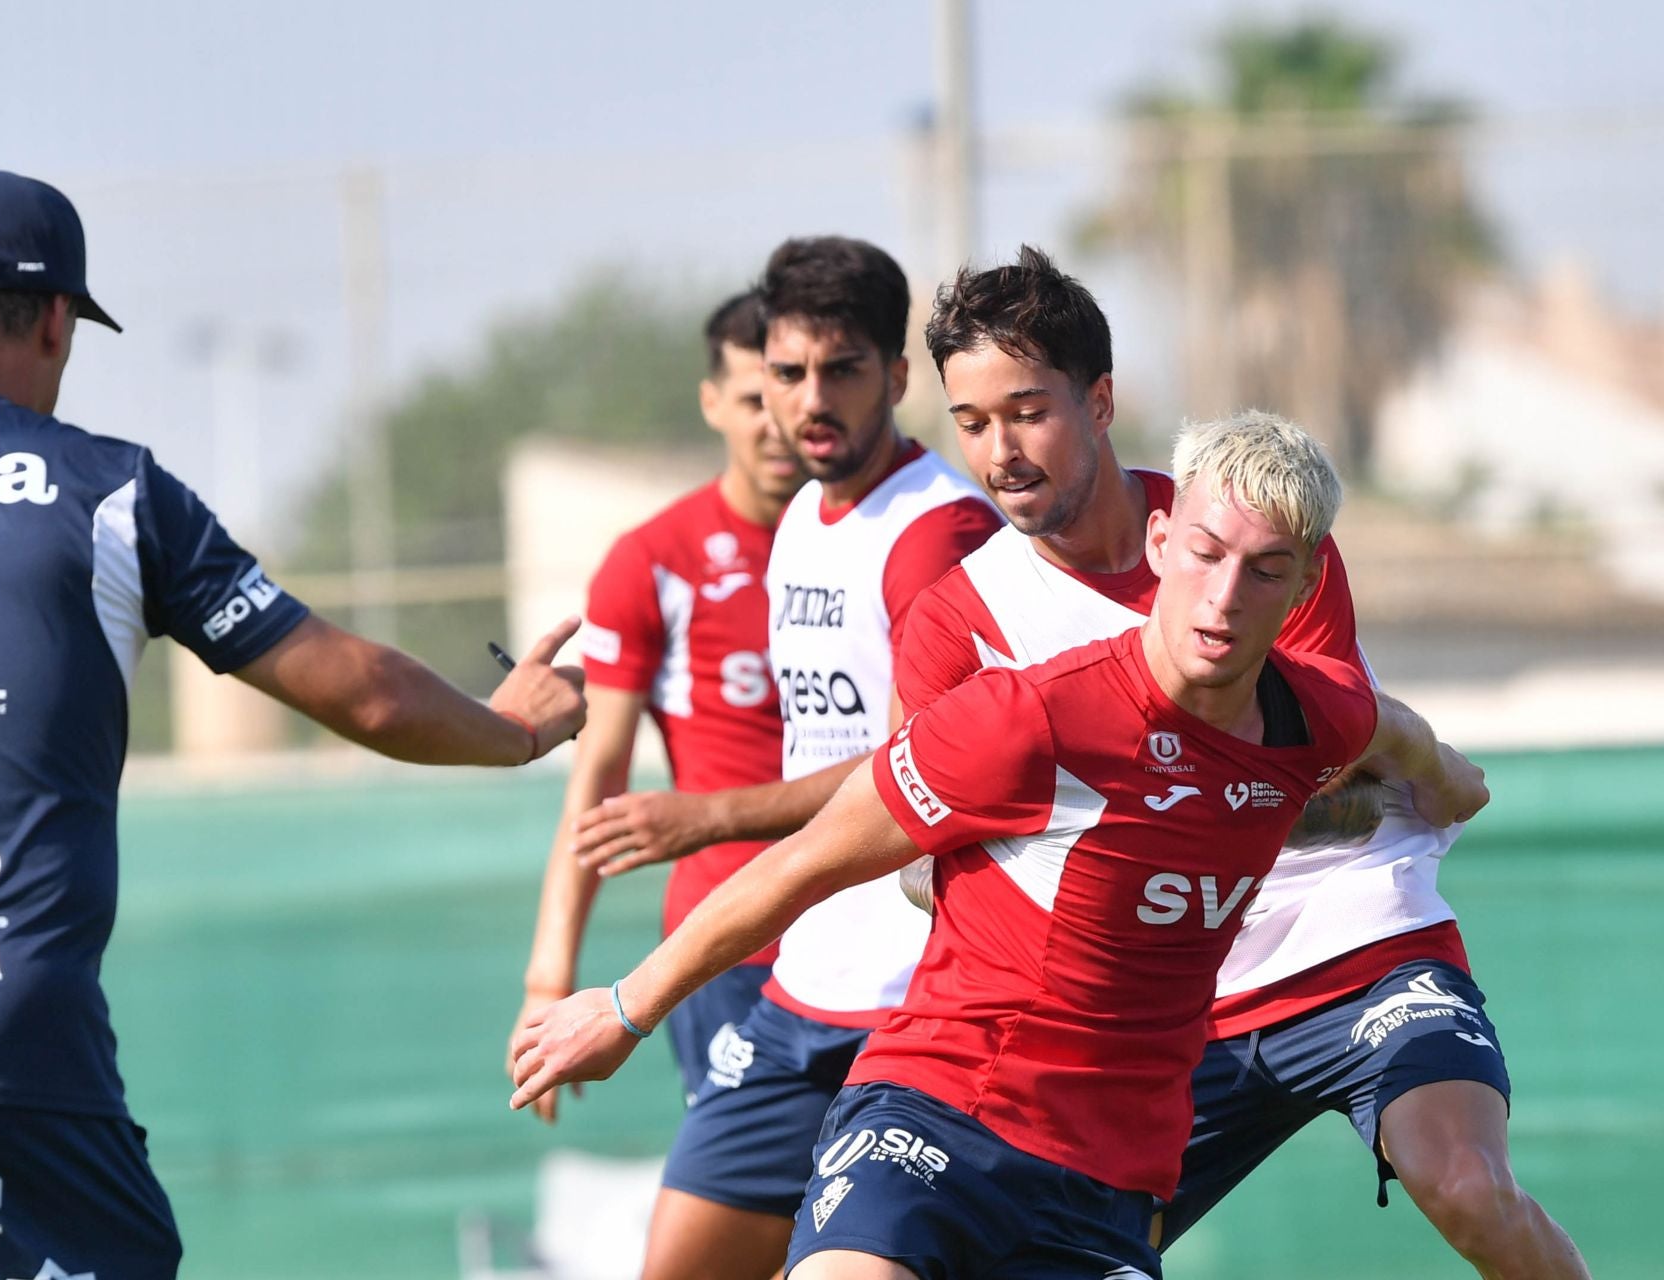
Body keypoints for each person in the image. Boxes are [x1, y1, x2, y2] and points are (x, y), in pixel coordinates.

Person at [0, 166, 586, 1280]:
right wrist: (510, 726)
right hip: (4, 1057)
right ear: (55, 322)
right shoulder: (110, 493)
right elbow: (362, 688)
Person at [511, 412, 1490, 1280]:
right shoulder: (1032, 718)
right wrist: (626, 1007)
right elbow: (806, 860)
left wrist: (1451, 784)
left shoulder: (1318, 715)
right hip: (938, 1110)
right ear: (1160, 542)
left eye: (1265, 569)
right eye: (1203, 552)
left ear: (1306, 585)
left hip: (1100, 1181)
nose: (1224, 594)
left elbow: (1390, 729)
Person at [896, 246, 1589, 1278]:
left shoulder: (1244, 530)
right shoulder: (956, 615)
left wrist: (1091, 807)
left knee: (1469, 1185)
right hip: (1154, 1015)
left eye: (1029, 410)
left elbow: (1331, 774)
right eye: (973, 422)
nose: (1003, 449)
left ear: (1101, 399)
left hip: (1357, 944)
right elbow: (917, 859)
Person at [564, 236, 999, 1280]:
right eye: (788, 372)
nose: (812, 399)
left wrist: (709, 814)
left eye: (842, 370)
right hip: (801, 990)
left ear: (897, 378)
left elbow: (913, 773)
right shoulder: (806, 514)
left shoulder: (937, 534)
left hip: (917, 1005)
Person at [512, 290, 804, 1120]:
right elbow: (598, 776)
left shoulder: (884, 541)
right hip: (731, 950)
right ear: (713, 402)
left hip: (878, 939)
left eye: (789, 393)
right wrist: (548, 978)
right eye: (754, 399)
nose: (776, 422)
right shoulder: (655, 561)